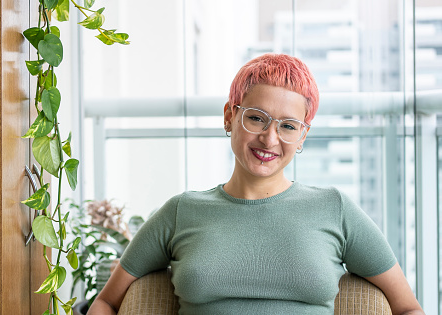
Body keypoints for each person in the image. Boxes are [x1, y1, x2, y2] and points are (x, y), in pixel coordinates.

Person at [87, 54, 424, 315]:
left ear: (303, 136)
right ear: (229, 117)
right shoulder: (182, 210)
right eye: (256, 118)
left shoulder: (333, 208)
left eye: (288, 126)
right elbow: (106, 303)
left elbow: (408, 307)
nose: (270, 138)